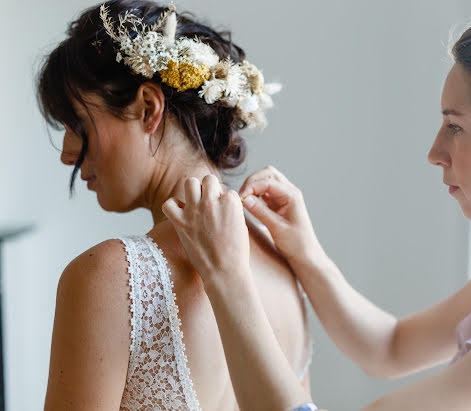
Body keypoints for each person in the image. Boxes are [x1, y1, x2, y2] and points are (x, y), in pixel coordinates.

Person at [162, 5, 471, 411]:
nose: (435, 151)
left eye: (455, 127)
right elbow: (390, 347)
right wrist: (307, 253)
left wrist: (228, 279)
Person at [38, 0, 312, 409]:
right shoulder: (282, 257)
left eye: (76, 124)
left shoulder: (109, 278)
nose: (67, 153)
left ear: (148, 108)